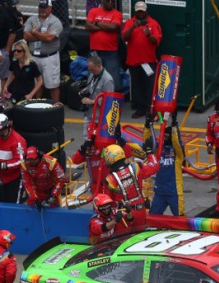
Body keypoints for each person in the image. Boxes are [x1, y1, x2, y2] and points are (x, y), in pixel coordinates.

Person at [70, 55, 115, 199]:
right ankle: (92, 170)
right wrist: (84, 91)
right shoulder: (93, 74)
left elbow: (109, 102)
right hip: (89, 114)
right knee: (87, 142)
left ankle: (99, 173)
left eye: (92, 69)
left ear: (98, 66)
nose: (90, 71)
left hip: (99, 118)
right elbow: (91, 86)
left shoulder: (107, 80)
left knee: (94, 146)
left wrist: (91, 101)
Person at [102, 144, 159, 234]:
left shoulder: (109, 180)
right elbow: (155, 166)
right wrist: (150, 153)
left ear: (110, 159)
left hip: (122, 216)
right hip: (140, 211)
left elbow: (107, 203)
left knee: (122, 242)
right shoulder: (136, 167)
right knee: (140, 239)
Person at [122, 1, 162, 119]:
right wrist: (133, 27)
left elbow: (157, 41)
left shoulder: (153, 24)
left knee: (150, 86)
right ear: (135, 11)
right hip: (134, 61)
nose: (140, 14)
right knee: (136, 86)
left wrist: (149, 35)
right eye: (138, 11)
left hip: (148, 61)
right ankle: (139, 109)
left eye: (142, 11)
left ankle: (151, 109)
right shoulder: (129, 23)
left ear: (146, 11)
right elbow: (124, 37)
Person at [23, 0, 63, 101]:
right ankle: (37, 105)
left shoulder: (55, 21)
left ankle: (56, 106)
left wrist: (35, 32)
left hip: (49, 57)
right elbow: (26, 36)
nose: (42, 9)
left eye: (45, 7)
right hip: (34, 56)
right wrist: (42, 35)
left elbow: (49, 39)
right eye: (41, 7)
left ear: (50, 8)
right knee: (36, 83)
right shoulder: (32, 19)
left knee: (52, 84)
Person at [0, 113, 26, 203]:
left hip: (14, 180)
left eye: (5, 129)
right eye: (1, 130)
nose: (3, 131)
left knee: (13, 205)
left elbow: (20, 161)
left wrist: (4, 165)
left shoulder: (18, 141)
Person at [148, 120, 185, 216]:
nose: (165, 138)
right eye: (164, 136)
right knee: (153, 219)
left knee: (181, 221)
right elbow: (148, 142)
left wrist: (174, 126)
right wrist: (147, 126)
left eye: (168, 136)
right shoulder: (159, 150)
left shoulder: (178, 154)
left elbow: (178, 143)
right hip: (159, 192)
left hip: (174, 193)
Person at [85, 0, 123, 93]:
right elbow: (87, 26)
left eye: (112, 1)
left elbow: (113, 27)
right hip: (95, 52)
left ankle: (113, 102)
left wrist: (97, 23)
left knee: (113, 79)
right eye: (107, 1)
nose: (110, 2)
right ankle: (93, 101)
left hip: (110, 52)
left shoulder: (117, 14)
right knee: (93, 78)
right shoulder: (94, 11)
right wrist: (106, 27)